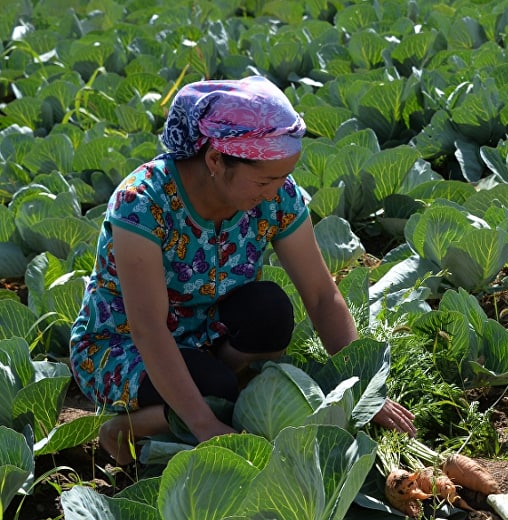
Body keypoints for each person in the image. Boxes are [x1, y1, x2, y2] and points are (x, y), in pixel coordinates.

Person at [69, 75, 416, 465]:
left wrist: (364, 387)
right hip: (124, 346)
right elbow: (147, 327)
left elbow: (321, 295)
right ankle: (127, 427)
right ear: (216, 161)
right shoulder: (142, 203)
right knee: (213, 392)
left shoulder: (276, 196)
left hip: (205, 332)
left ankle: (215, 392)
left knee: (269, 308)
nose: (276, 191)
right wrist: (203, 424)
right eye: (266, 179)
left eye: (284, 177)